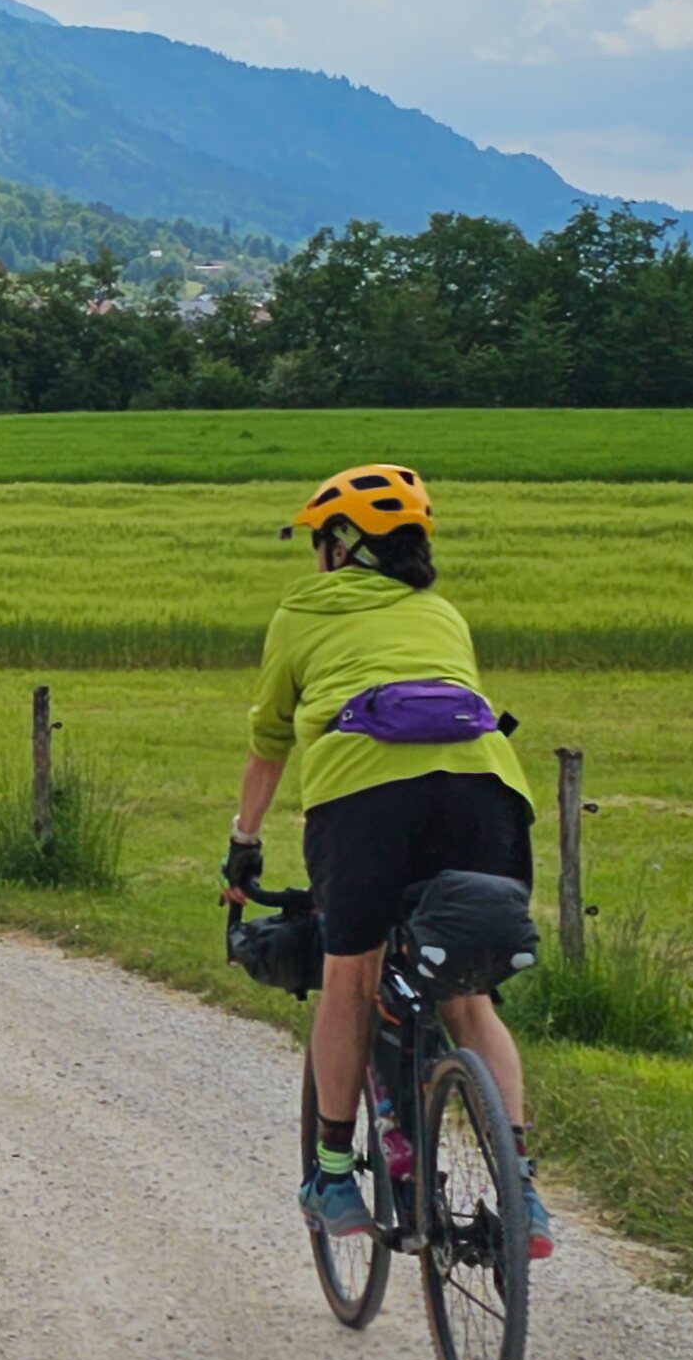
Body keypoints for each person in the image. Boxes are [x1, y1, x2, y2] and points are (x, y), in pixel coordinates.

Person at [221, 464, 551, 1257]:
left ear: (342, 544)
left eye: (318, 539)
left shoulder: (302, 609)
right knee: (470, 998)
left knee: (351, 979)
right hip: (484, 789)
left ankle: (334, 1172)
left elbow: (269, 743)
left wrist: (244, 839)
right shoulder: (439, 611)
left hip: (366, 794)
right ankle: (523, 1192)